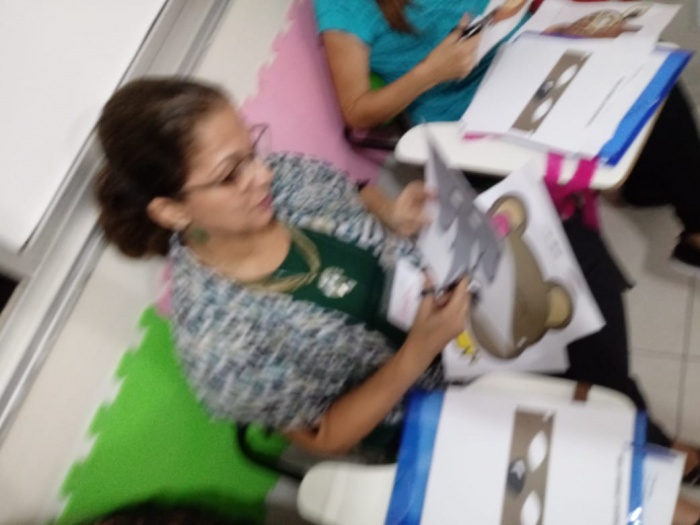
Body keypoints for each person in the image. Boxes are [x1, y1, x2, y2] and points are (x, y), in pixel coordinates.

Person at [96, 78, 700, 524]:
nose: (262, 175)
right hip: (423, 404)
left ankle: (635, 430)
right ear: (171, 210)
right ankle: (628, 447)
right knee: (636, 498)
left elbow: (348, 189)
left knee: (576, 259)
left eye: (252, 149)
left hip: (456, 312)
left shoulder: (283, 180)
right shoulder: (219, 342)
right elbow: (326, 435)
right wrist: (418, 352)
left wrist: (392, 212)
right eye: (231, 174)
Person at [314, 0, 700, 272]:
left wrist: (533, 18)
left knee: (657, 90)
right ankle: (641, 189)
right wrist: (429, 72)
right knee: (552, 242)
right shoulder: (344, 6)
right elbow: (357, 110)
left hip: (527, 60)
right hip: (464, 120)